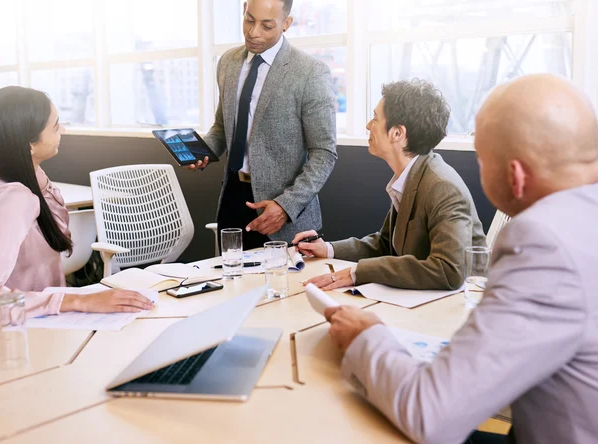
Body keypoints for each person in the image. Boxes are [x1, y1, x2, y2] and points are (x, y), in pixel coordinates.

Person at [323, 74, 598, 444]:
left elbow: (429, 413)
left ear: (514, 176)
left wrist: (365, 335)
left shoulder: (545, 242)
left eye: (481, 158)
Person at [293, 79, 486, 291]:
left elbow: (449, 270)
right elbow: (385, 244)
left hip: (456, 307)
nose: (368, 125)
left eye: (375, 118)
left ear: (397, 134)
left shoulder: (442, 187)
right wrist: (327, 249)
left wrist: (357, 272)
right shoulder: (412, 175)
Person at [187, 0, 337, 250]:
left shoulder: (311, 71)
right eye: (249, 20)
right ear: (244, 8)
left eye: (267, 26)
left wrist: (286, 206)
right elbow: (223, 127)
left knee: (283, 288)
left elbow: (324, 153)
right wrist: (203, 151)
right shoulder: (227, 62)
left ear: (286, 24)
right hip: (233, 200)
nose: (254, 32)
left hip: (284, 212)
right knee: (231, 285)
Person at [0, 86, 154, 318]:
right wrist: (78, 300)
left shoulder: (33, 180)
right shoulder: (15, 198)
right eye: (55, 125)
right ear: (29, 143)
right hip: (24, 334)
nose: (63, 130)